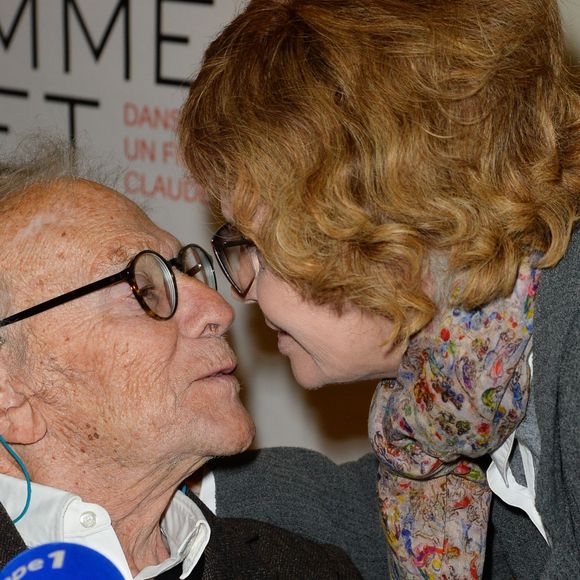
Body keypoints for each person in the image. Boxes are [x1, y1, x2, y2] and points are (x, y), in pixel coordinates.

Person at [178, 0, 580, 577]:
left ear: (384, 228)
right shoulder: (460, 397)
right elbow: (357, 513)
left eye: (253, 245)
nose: (242, 292)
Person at [0, 140, 363, 579]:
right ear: (7, 391)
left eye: (186, 271)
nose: (219, 310)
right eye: (144, 290)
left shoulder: (306, 567)